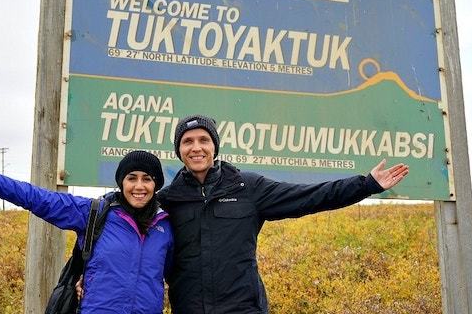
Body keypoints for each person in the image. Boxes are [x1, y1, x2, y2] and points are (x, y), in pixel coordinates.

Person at [156, 114, 409, 314]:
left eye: (204, 140)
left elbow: (310, 196)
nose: (196, 148)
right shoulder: (168, 200)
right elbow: (126, 212)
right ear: (179, 150)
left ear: (215, 146)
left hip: (244, 309)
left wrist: (366, 185)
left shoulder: (247, 187)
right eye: (187, 141)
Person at [0, 150, 173, 314]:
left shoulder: (165, 226)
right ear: (121, 183)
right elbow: (38, 198)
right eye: (131, 178)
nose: (139, 186)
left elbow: (178, 273)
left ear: (157, 185)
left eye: (147, 179)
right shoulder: (94, 212)